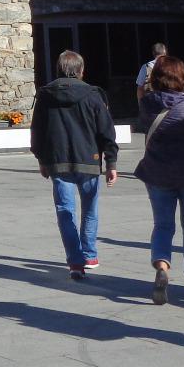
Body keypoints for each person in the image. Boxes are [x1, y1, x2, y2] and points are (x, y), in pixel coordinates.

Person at [29, 50, 119, 281]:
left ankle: (75, 262)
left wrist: (41, 159)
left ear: (58, 70)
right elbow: (106, 131)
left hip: (58, 161)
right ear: (81, 71)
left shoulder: (45, 96)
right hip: (89, 160)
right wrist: (111, 162)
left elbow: (37, 132)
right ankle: (89, 255)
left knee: (65, 211)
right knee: (90, 208)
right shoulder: (93, 95)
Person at [136, 55, 184, 303]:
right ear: (182, 77)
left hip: (158, 171)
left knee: (163, 225)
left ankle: (162, 267)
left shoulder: (148, 103)